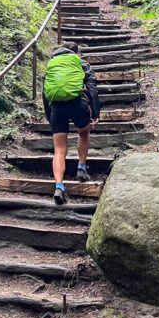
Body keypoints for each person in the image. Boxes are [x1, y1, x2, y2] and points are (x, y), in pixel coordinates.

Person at [42, 41, 101, 204]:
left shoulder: (52, 64)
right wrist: (95, 112)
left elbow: (45, 92)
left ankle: (59, 186)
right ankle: (81, 167)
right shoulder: (81, 63)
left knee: (59, 150)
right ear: (77, 53)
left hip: (57, 108)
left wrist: (49, 115)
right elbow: (92, 87)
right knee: (83, 132)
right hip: (78, 104)